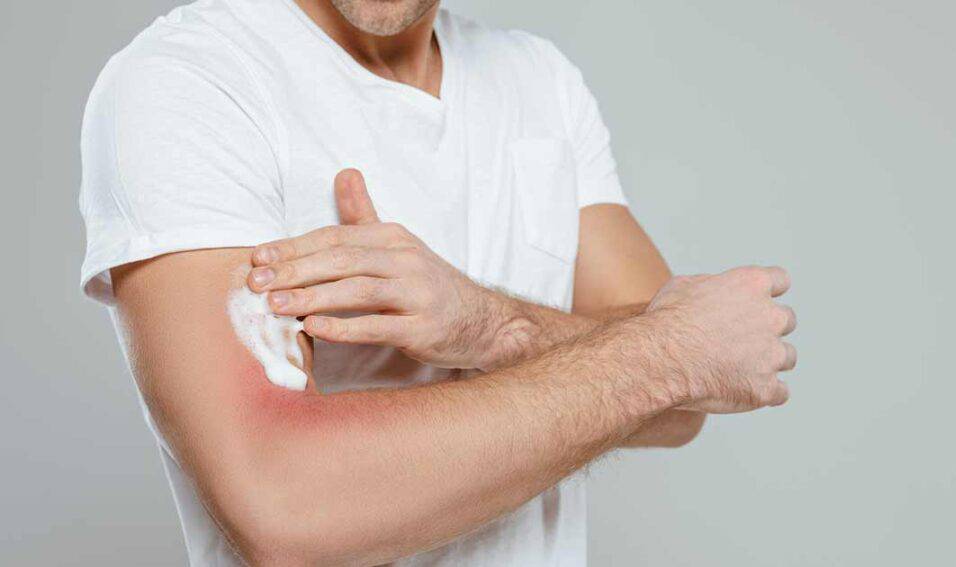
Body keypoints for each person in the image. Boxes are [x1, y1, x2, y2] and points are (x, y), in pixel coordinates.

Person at [78, 0, 798, 564]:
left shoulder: (539, 81)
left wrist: (487, 323)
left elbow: (681, 407)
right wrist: (662, 353)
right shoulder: (195, 81)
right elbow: (282, 502)